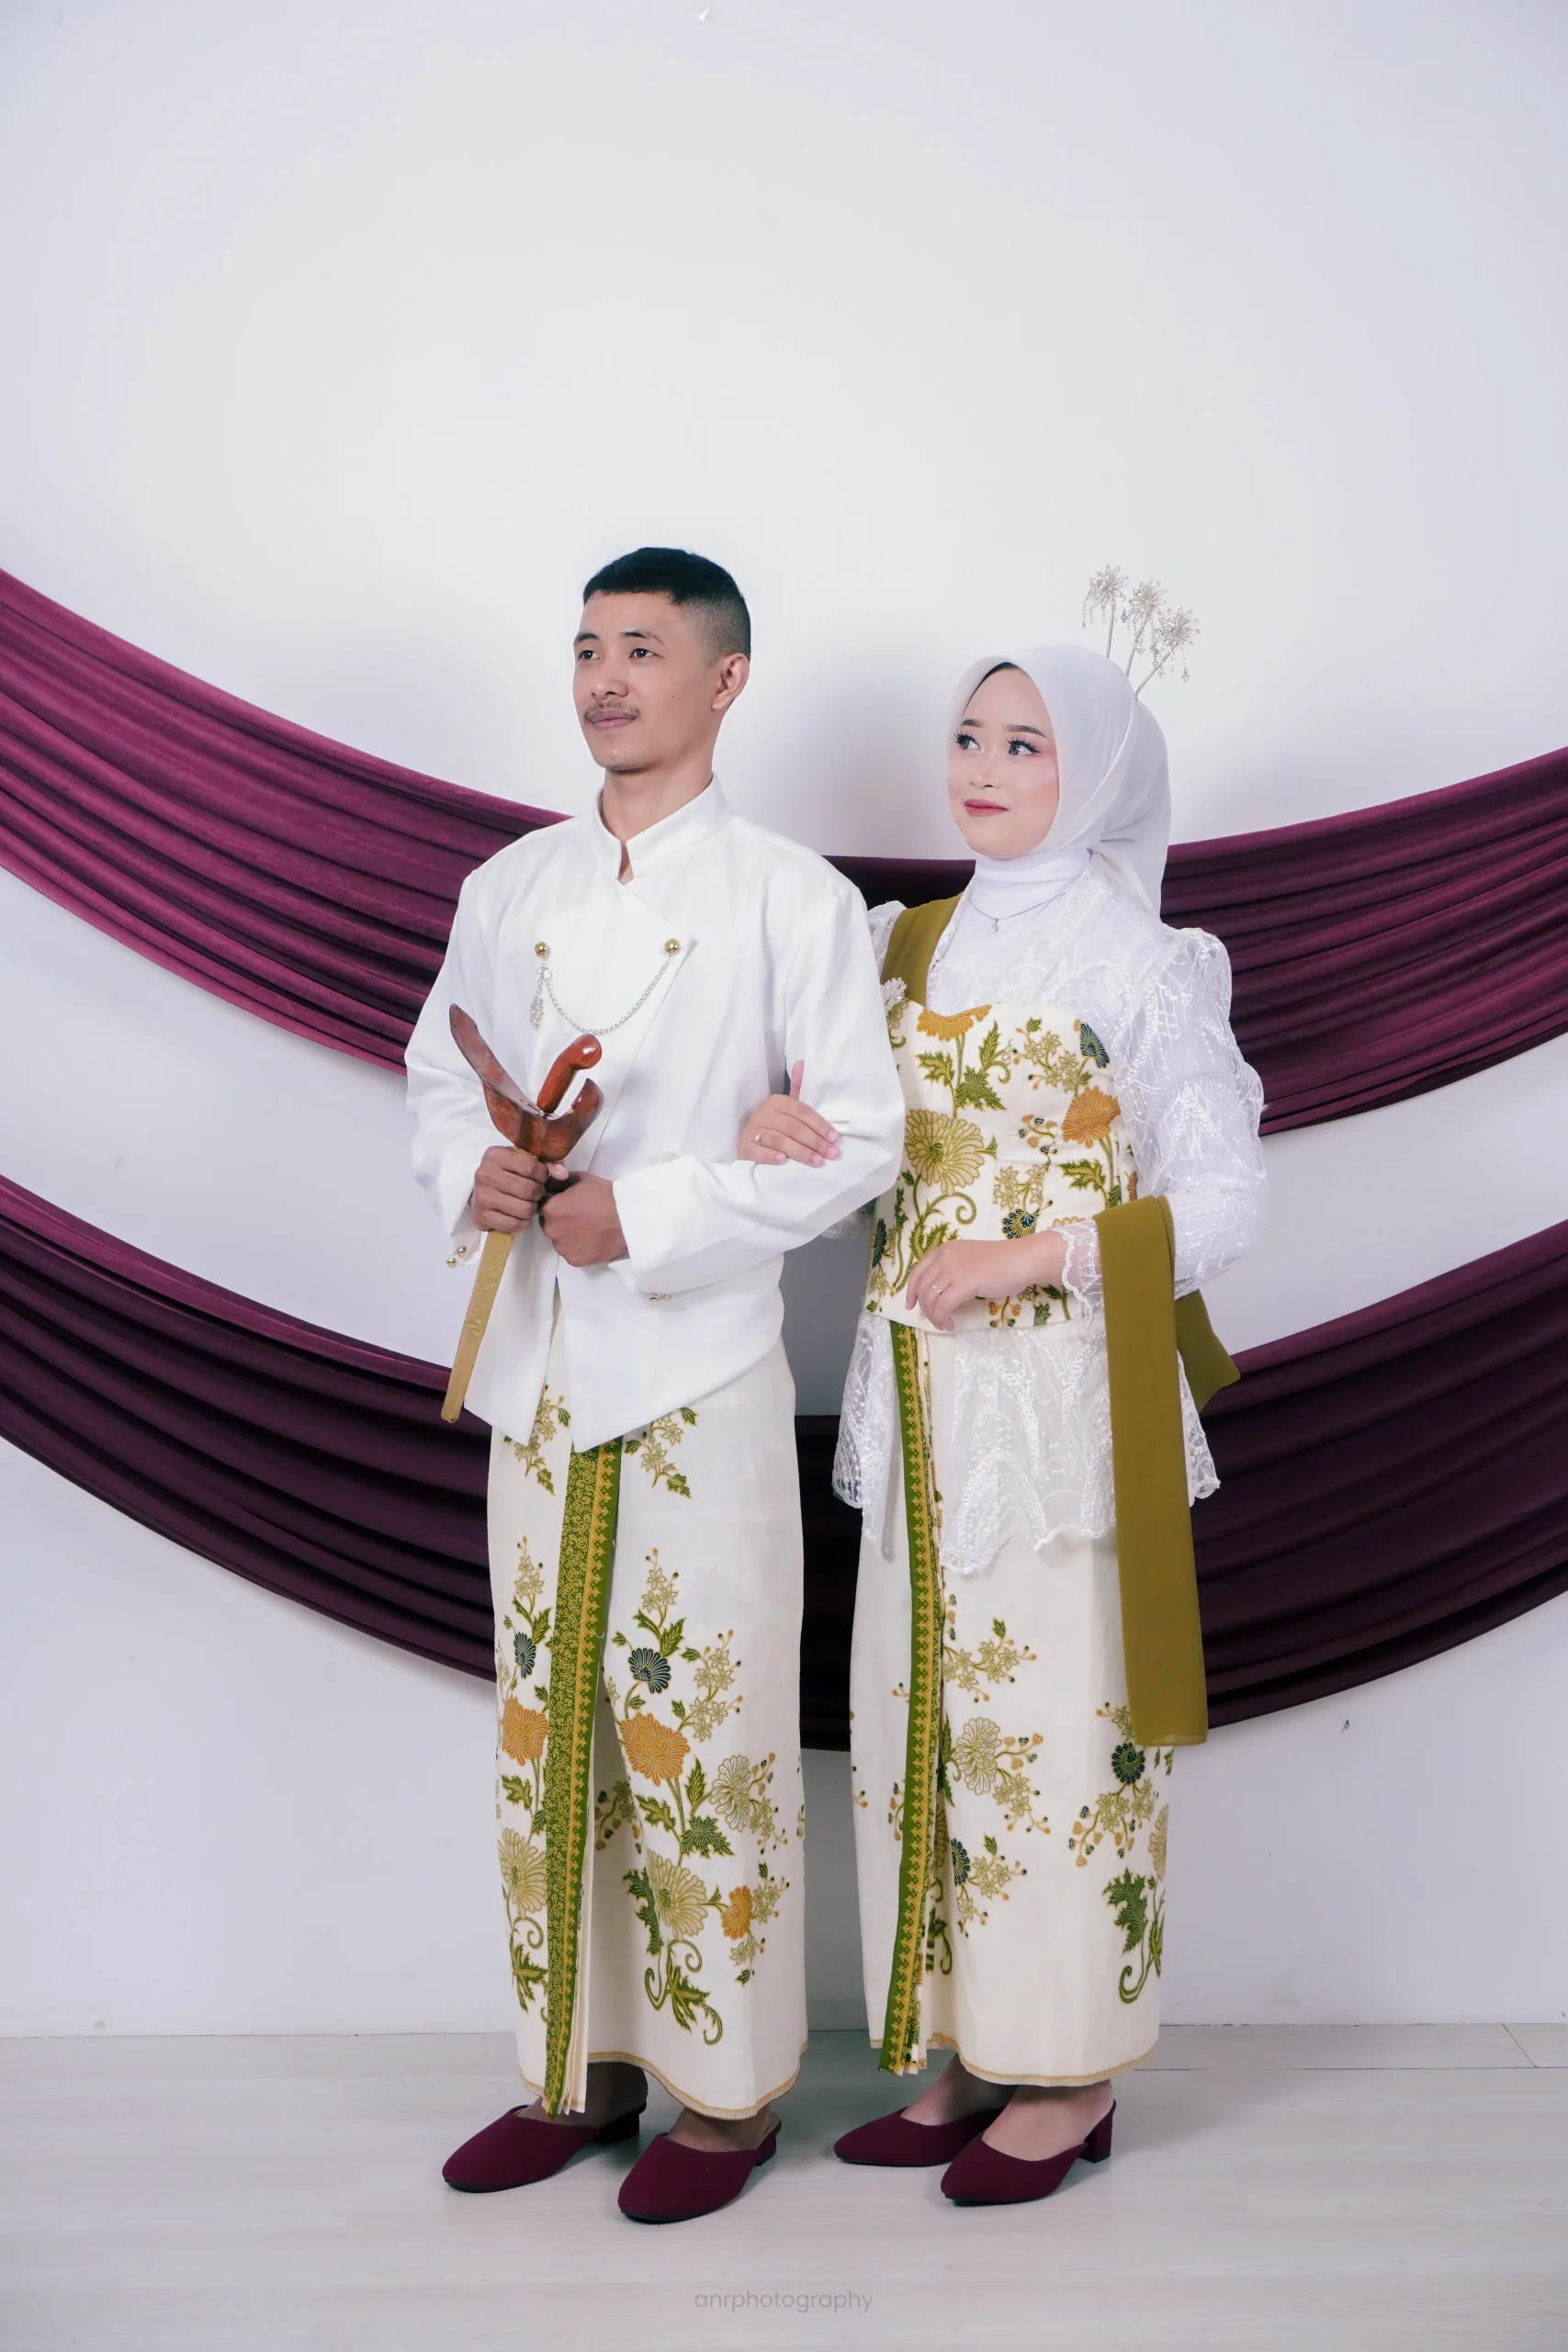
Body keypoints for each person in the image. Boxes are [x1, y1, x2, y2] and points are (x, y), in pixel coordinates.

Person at [406, 548, 905, 2222]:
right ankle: (577, 2071)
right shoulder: (509, 886)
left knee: (704, 1728)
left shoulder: (790, 898)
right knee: (547, 1732)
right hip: (541, 1375)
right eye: (586, 650)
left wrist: (658, 1212)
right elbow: (438, 1075)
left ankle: (724, 2099)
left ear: (724, 679)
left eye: (641, 648)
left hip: (697, 1373)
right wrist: (475, 1170)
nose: (606, 678)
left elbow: (862, 1134)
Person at [740, 646, 1266, 2206]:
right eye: (968, 735)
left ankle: (1071, 2075)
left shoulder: (1146, 966)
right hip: (918, 1400)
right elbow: (856, 1151)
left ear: (1094, 773)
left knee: (1060, 1731)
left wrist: (1030, 1255)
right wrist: (783, 1128)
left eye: (1024, 744)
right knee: (927, 1725)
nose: (980, 766)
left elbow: (1224, 1202)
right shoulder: (900, 946)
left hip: (1066, 1416)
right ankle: (973, 2048)